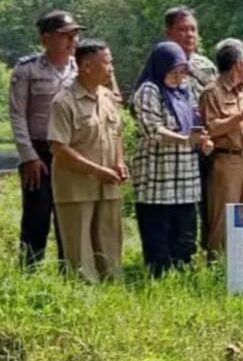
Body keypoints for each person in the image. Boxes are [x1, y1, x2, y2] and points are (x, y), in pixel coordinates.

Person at [131, 41, 213, 277]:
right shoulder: (149, 90)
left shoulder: (185, 90)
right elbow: (152, 130)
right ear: (160, 68)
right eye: (173, 72)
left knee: (185, 230)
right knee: (159, 230)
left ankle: (184, 272)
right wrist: (185, 139)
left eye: (182, 71)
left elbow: (194, 123)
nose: (179, 77)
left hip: (185, 174)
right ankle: (159, 276)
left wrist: (202, 140)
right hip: (159, 173)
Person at [9, 10, 83, 267]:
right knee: (37, 214)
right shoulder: (27, 69)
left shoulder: (81, 68)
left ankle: (70, 269)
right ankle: (30, 270)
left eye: (75, 34)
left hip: (71, 150)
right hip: (39, 149)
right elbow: (17, 115)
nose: (72, 40)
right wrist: (29, 157)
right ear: (45, 39)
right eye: (65, 35)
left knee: (70, 211)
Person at [47, 40, 126, 282]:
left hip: (109, 184)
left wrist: (120, 162)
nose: (111, 68)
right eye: (106, 62)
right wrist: (96, 170)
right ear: (87, 66)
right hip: (76, 188)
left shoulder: (107, 97)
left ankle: (113, 289)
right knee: (80, 249)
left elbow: (117, 134)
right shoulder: (63, 101)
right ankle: (85, 296)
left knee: (110, 242)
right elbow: (59, 147)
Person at [199, 39, 243, 254]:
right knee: (223, 218)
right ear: (237, 64)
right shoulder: (212, 92)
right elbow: (211, 127)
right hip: (226, 161)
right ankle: (218, 267)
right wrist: (239, 117)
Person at [163, 6, 218, 251]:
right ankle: (178, 253)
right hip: (176, 144)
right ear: (169, 32)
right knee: (179, 204)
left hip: (207, 144)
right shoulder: (160, 63)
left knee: (209, 200)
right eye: (182, 29)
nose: (189, 35)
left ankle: (208, 251)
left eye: (193, 29)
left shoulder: (205, 66)